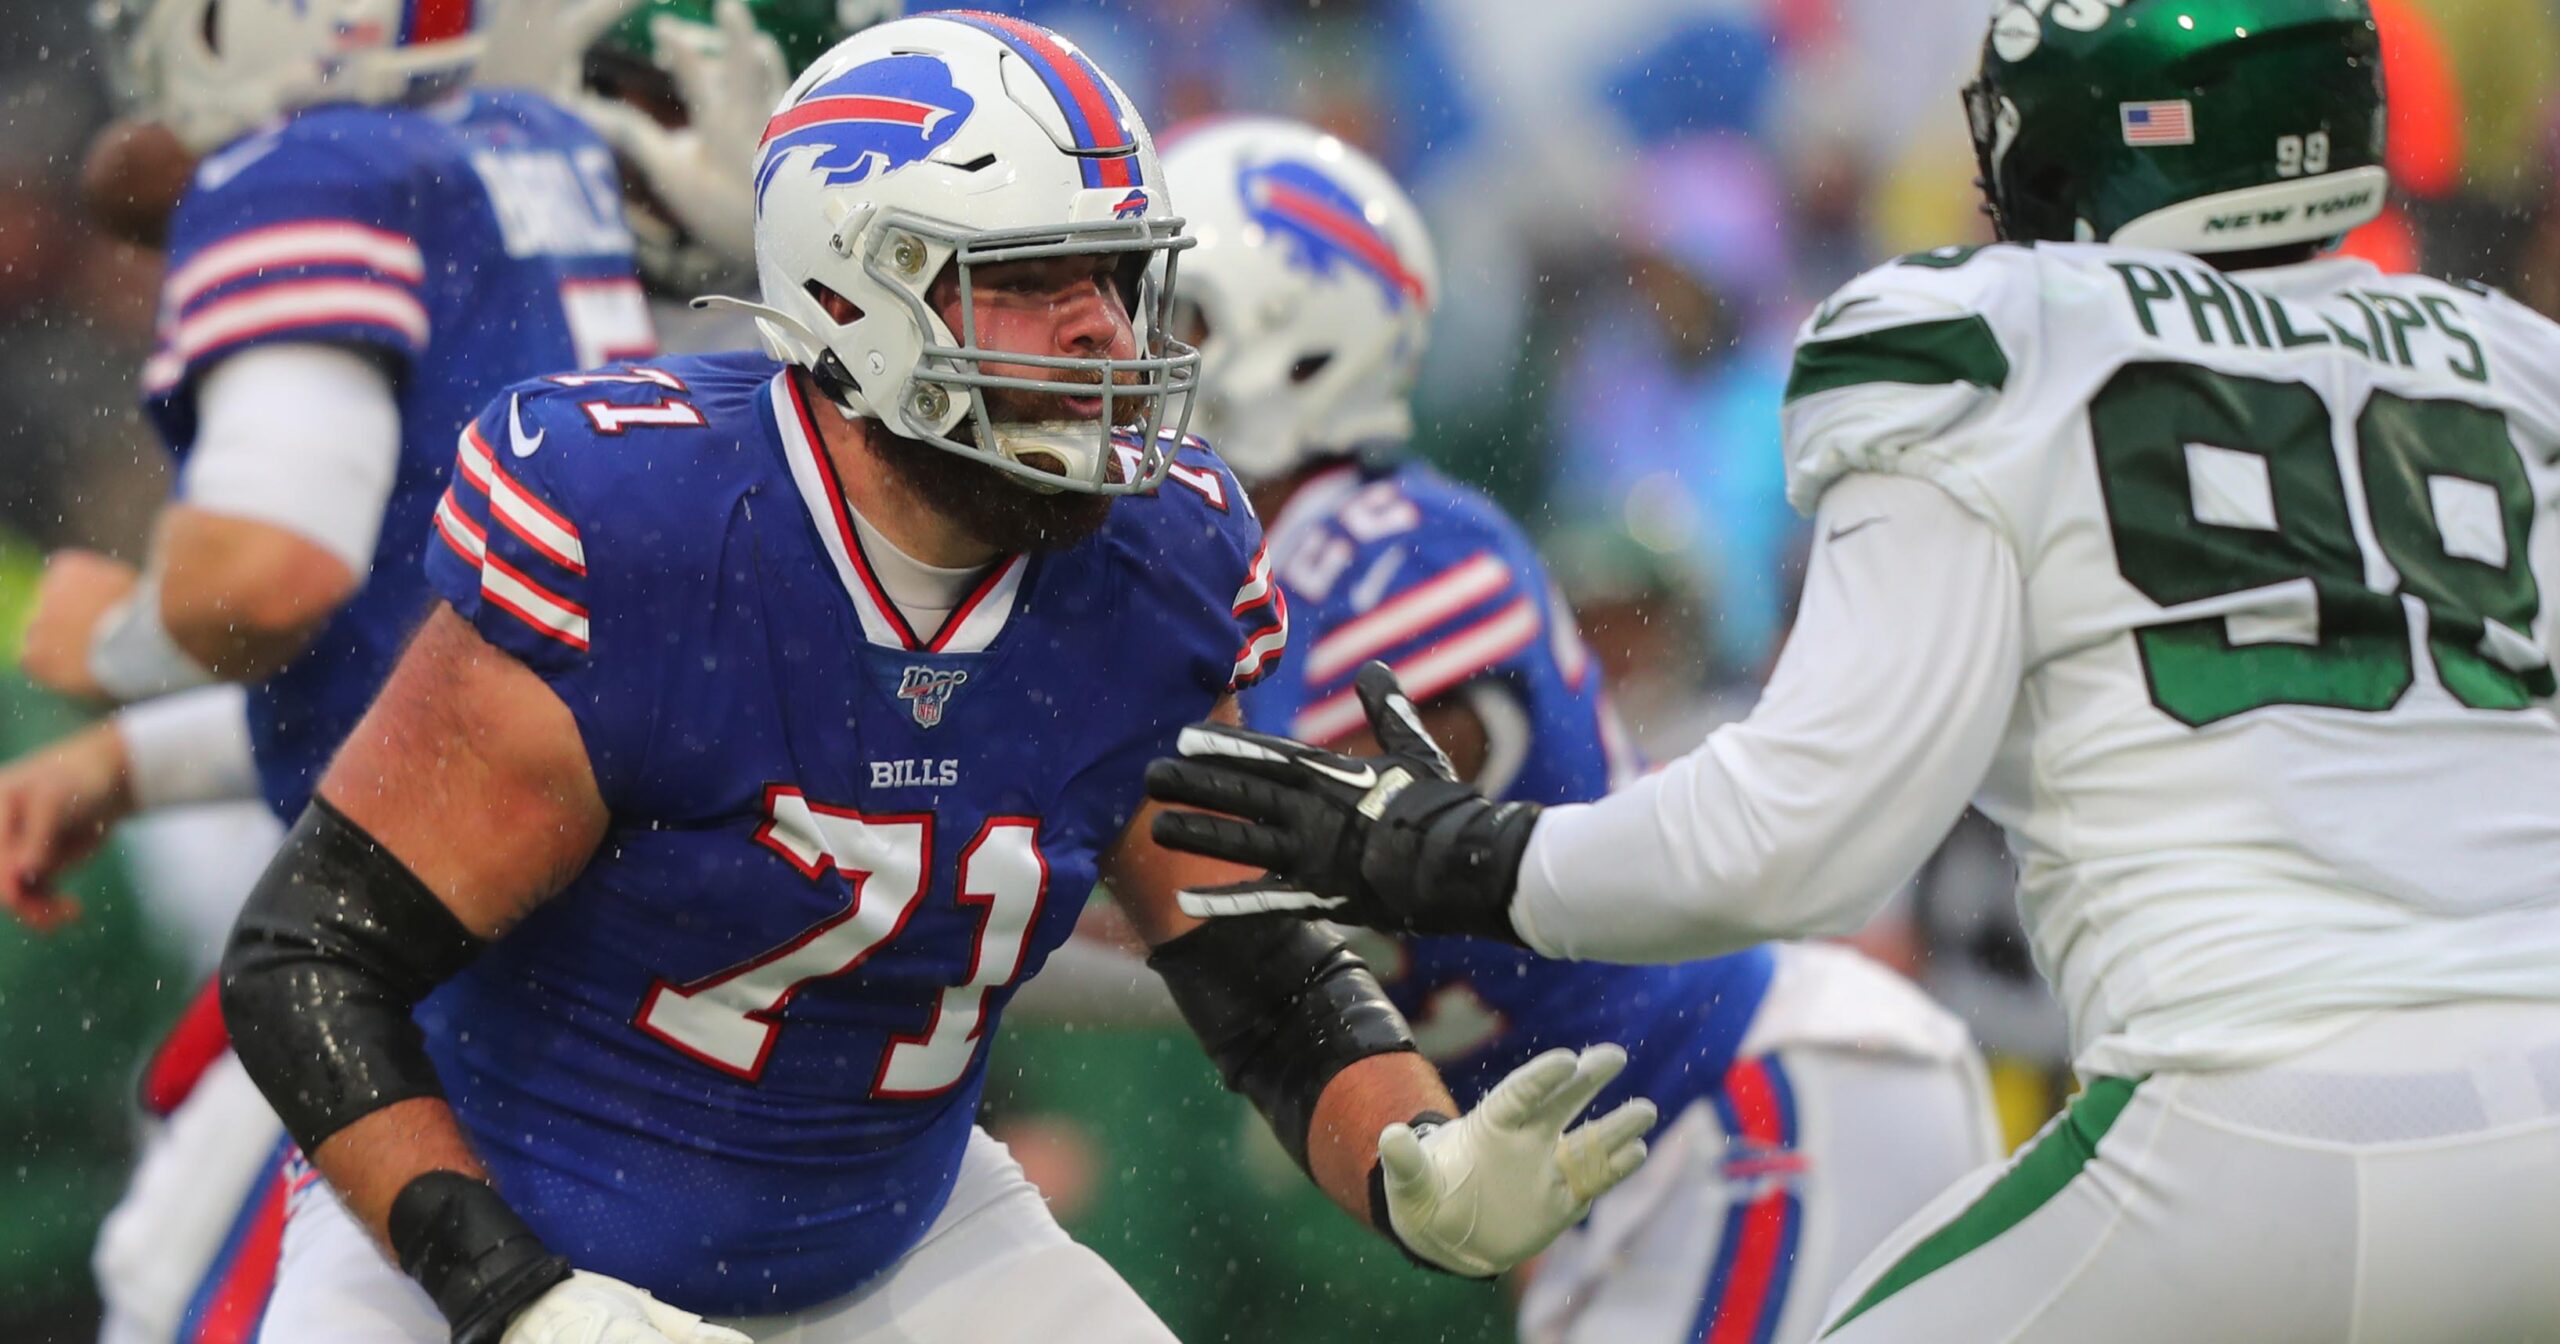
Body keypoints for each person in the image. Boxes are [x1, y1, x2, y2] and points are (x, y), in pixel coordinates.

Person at [217, 17, 1652, 1344]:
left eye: (1117, 274)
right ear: (854, 291)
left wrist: (1420, 1167)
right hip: (494, 1240)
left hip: (889, 1249)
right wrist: (511, 1292)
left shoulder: (1156, 566)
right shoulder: (643, 534)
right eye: (1033, 278)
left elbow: (1253, 961)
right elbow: (310, 962)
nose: (1103, 331)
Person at [1144, 0, 2560, 1338]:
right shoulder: (2514, 363)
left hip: (2243, 1137)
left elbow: (1798, 840)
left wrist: (1452, 854)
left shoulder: (1990, 341)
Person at [1159, 116, 1996, 1344]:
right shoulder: (1249, 576)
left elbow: (1195, 855)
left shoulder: (1392, 558)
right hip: (1627, 1160)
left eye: (1167, 317)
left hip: (1731, 1099)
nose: (1122, 358)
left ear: (1290, 343)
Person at [0, 2, 655, 1339]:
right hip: (587, 885)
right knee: (164, 1267)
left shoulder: (313, 172)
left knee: (186, 1294)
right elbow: (451, 674)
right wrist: (129, 760)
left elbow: (268, 578)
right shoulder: (523, 146)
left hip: (470, 957)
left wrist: (119, 643)